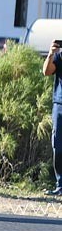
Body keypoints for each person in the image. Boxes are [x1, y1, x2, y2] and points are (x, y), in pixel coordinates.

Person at [41, 38, 62, 195]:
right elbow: (46, 71)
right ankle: (60, 184)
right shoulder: (60, 56)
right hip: (60, 106)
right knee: (58, 146)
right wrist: (50, 54)